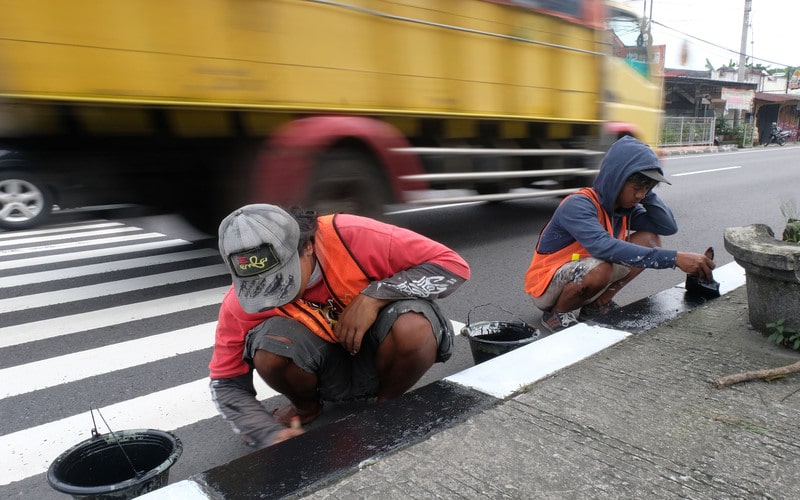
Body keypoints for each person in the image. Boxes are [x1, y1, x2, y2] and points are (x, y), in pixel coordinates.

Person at [209, 204, 470, 448]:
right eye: (259, 285)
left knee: (413, 326)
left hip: (379, 356)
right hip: (325, 370)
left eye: (282, 280)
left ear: (308, 246)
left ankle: (388, 404)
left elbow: (453, 266)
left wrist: (375, 296)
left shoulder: (353, 236)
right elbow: (226, 382)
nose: (271, 295)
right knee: (269, 349)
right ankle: (306, 407)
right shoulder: (240, 301)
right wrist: (263, 431)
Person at [525, 135, 715, 333]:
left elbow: (667, 227)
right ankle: (557, 314)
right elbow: (603, 247)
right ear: (617, 180)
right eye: (636, 188)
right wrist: (674, 259)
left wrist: (647, 193)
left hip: (587, 271)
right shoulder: (579, 204)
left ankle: (597, 304)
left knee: (649, 239)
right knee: (603, 267)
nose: (640, 195)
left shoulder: (625, 209)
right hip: (546, 285)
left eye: (646, 189)